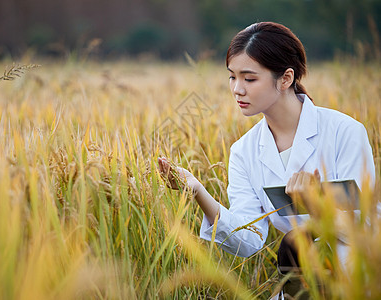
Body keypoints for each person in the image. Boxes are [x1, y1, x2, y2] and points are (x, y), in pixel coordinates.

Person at [158, 22, 375, 298]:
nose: (237, 89)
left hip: (356, 279)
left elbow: (366, 224)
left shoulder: (344, 132)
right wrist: (198, 191)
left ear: (285, 78)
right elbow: (248, 241)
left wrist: (319, 205)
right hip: (298, 281)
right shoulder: (243, 151)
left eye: (249, 79)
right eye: (232, 77)